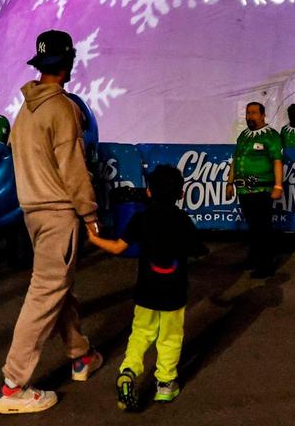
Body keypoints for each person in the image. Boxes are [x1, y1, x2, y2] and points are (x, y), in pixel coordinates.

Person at [0, 30, 103, 414]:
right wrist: (90, 215)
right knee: (45, 295)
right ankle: (13, 386)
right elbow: (73, 169)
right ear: (68, 62)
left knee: (58, 288)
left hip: (33, 213)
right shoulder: (62, 108)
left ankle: (81, 355)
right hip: (59, 213)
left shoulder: (25, 110)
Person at [87, 165, 207, 410]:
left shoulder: (141, 218)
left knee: (141, 334)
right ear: (181, 194)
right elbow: (198, 250)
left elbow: (119, 248)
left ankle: (129, 371)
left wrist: (94, 238)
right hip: (174, 293)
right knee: (170, 338)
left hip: (146, 292)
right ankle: (165, 384)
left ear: (149, 192)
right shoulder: (182, 220)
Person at [226, 102, 284, 278]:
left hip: (262, 189)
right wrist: (229, 182)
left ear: (262, 115)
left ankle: (266, 265)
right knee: (252, 227)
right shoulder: (243, 135)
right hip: (244, 190)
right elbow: (235, 159)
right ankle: (253, 259)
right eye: (247, 113)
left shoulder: (271, 136)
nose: (249, 116)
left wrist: (278, 186)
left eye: (253, 113)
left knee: (263, 227)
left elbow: (277, 161)